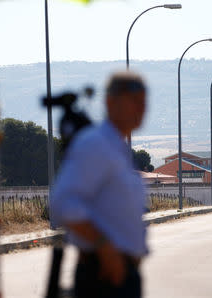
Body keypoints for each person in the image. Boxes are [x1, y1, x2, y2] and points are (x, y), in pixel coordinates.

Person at [50, 71, 148, 298]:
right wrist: (105, 247)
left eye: (143, 102)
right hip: (103, 275)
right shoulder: (96, 144)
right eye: (133, 101)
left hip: (120, 274)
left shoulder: (116, 147)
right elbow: (63, 202)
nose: (140, 108)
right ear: (110, 102)